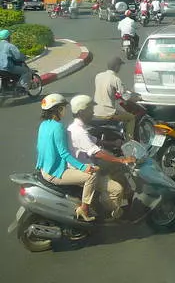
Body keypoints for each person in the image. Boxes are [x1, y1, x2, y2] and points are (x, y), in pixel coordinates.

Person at [67, 95, 135, 219]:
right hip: (85, 170)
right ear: (82, 112)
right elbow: (96, 152)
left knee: (116, 167)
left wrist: (113, 143)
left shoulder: (75, 128)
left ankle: (128, 194)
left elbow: (95, 141)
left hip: (88, 164)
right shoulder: (79, 132)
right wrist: (122, 159)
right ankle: (110, 212)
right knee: (116, 189)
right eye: (90, 109)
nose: (93, 112)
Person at [36, 94, 99, 222]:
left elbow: (40, 147)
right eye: (64, 108)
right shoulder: (58, 127)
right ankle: (84, 209)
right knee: (91, 176)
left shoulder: (44, 125)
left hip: (44, 169)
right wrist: (83, 167)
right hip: (55, 172)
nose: (65, 110)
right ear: (58, 110)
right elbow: (64, 153)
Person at [93, 57, 137, 139]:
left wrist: (114, 96)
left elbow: (106, 91)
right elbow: (125, 96)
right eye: (120, 66)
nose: (120, 68)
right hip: (108, 112)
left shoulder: (98, 76)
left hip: (95, 110)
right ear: (117, 67)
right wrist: (137, 98)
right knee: (131, 118)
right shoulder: (116, 79)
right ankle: (129, 143)